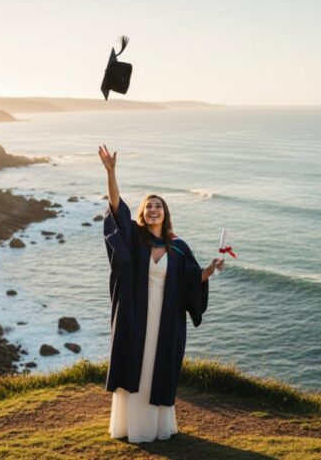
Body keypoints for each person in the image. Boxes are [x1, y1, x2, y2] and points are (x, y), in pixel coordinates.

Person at [99, 144, 223, 443]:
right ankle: (132, 426)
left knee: (158, 365)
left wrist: (209, 269)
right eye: (149, 206)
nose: (154, 209)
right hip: (135, 315)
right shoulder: (134, 238)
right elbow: (116, 209)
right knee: (135, 365)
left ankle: (156, 427)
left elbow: (192, 280)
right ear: (144, 213)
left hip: (165, 318)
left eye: (159, 206)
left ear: (165, 213)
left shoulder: (178, 247)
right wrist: (112, 172)